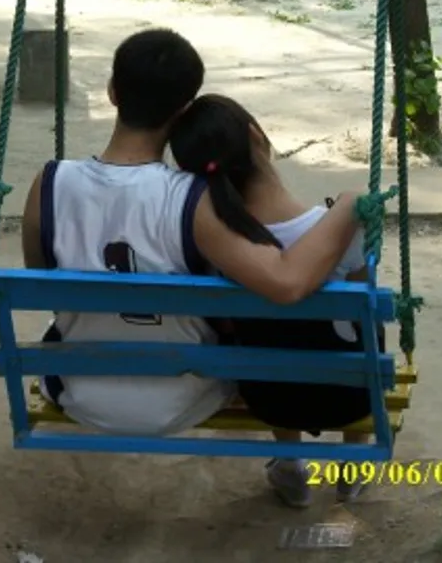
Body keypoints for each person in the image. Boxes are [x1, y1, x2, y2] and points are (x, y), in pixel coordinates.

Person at [20, 27, 363, 440]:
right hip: (183, 398)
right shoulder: (191, 198)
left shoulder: (49, 183)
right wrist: (348, 204)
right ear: (183, 110)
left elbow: (42, 282)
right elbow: (287, 282)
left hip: (79, 391)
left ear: (112, 91)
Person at [168, 93, 386, 507]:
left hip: (269, 398)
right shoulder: (338, 228)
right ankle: (354, 461)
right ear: (256, 136)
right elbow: (365, 312)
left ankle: (290, 462)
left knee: (259, 335)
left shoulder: (218, 245)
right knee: (364, 318)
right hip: (348, 398)